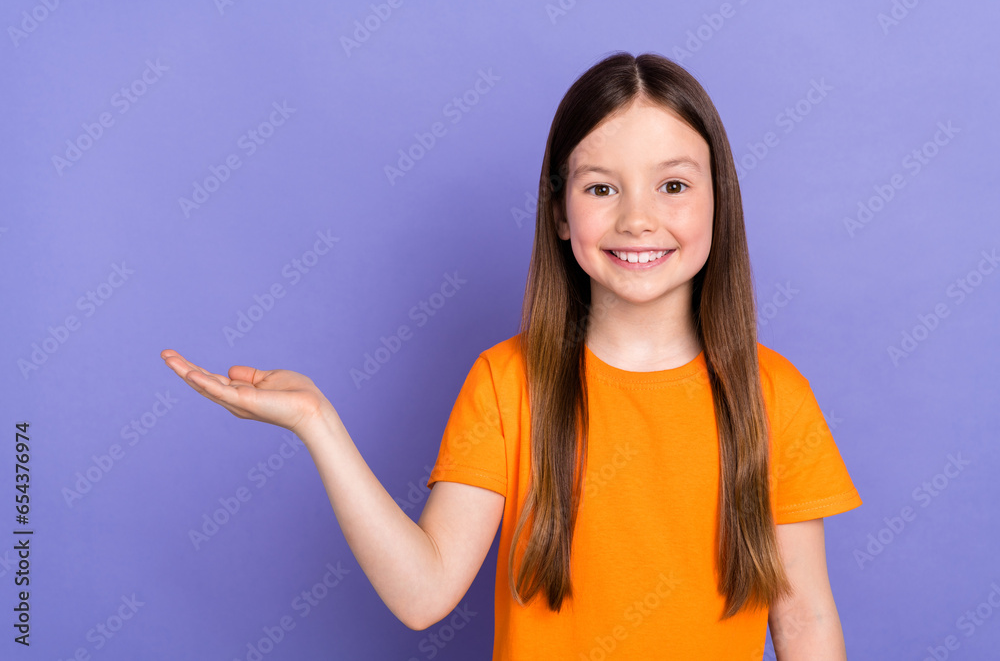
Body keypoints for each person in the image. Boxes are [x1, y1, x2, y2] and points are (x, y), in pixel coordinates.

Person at [162, 51, 863, 660]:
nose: (638, 218)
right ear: (561, 214)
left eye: (673, 184)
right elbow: (424, 592)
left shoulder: (775, 395)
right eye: (600, 188)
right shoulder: (507, 383)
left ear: (719, 200)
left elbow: (802, 616)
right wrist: (318, 422)